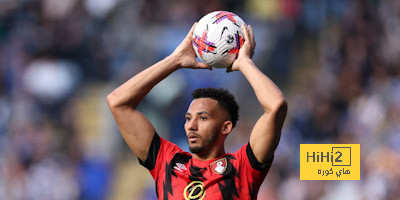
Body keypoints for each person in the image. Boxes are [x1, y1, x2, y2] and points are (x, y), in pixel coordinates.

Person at [107, 22, 287, 200]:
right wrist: (174, 60)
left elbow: (276, 105)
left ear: (225, 127)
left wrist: (245, 63)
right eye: (187, 118)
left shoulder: (243, 168)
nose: (191, 126)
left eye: (203, 118)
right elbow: (118, 102)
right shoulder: (168, 163)